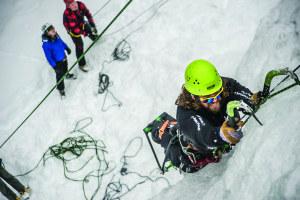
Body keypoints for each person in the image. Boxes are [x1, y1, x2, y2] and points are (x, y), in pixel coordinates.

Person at [168, 59, 259, 173]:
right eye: (208, 98)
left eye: (217, 92)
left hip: (222, 145)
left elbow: (242, 94)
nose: (215, 100)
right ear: (193, 96)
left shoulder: (221, 85)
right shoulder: (186, 114)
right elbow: (203, 134)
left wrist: (253, 100)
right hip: (197, 159)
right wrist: (220, 134)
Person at [63, 0, 99, 72]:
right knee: (79, 45)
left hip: (81, 23)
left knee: (90, 29)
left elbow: (87, 13)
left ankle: (96, 39)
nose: (75, 5)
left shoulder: (80, 4)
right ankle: (82, 64)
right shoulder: (68, 14)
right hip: (73, 31)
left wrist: (92, 24)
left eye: (74, 3)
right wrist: (85, 33)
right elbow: (75, 29)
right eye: (72, 5)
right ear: (68, 6)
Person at [42, 23, 75, 97]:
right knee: (59, 75)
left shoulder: (56, 36)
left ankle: (67, 75)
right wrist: (55, 66)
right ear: (47, 33)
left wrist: (66, 48)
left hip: (63, 57)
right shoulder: (46, 44)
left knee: (65, 68)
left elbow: (62, 43)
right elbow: (49, 57)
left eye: (52, 27)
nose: (53, 29)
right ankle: (61, 89)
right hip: (57, 63)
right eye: (50, 29)